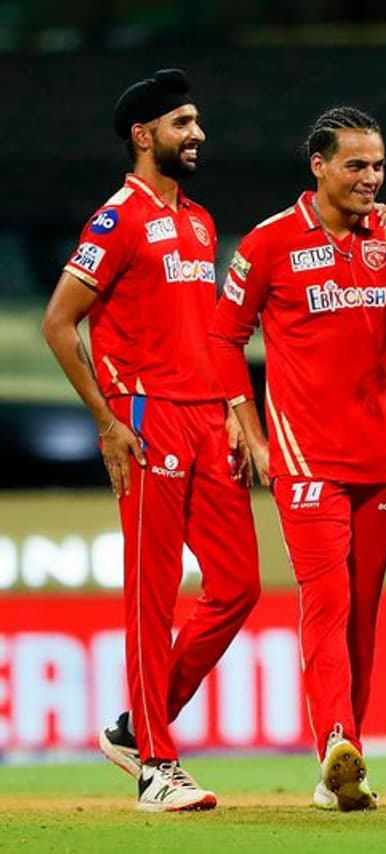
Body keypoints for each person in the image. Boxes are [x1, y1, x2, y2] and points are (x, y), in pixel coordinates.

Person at [208, 106, 386, 811]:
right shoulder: (269, 243)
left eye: (378, 165)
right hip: (307, 458)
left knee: (362, 616)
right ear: (318, 166)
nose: (371, 178)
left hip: (385, 458)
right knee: (327, 603)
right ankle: (336, 743)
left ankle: (346, 763)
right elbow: (223, 338)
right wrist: (250, 430)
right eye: (356, 165)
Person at [41, 69, 260, 813]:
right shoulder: (118, 219)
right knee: (153, 594)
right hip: (146, 418)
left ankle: (137, 726)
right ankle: (156, 768)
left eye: (196, 122)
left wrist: (231, 411)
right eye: (181, 123)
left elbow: (207, 332)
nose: (197, 134)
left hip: (205, 419)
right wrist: (107, 421)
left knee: (237, 585)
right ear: (143, 135)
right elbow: (58, 323)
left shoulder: (199, 222)